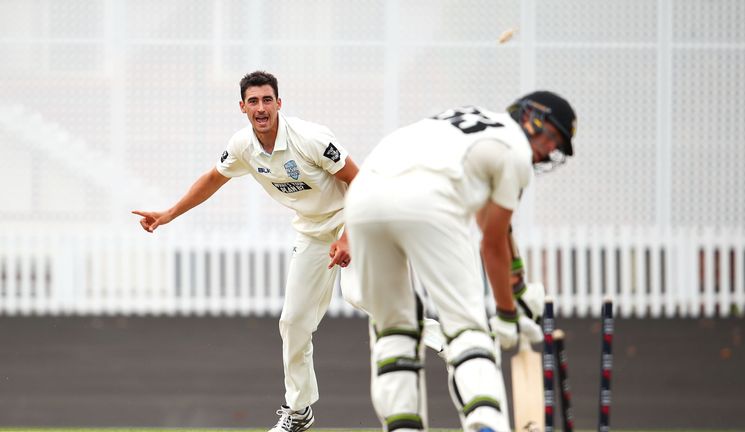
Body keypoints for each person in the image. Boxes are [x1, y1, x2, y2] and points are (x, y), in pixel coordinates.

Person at [132, 71, 360, 432]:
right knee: (293, 322)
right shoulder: (242, 145)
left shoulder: (310, 138)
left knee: (362, 298)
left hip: (356, 220)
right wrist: (169, 213)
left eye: (267, 99)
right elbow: (212, 179)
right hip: (314, 234)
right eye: (253, 101)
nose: (261, 107)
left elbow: (359, 181)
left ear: (279, 103)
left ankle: (450, 342)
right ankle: (299, 412)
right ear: (242, 107)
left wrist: (348, 236)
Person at [345, 91, 577, 432]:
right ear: (530, 116)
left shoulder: (466, 121)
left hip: (363, 198)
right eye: (551, 135)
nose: (548, 149)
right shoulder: (515, 150)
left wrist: (519, 284)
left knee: (394, 328)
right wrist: (507, 315)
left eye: (556, 143)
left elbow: (491, 225)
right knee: (467, 328)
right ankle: (486, 423)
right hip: (428, 200)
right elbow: (492, 243)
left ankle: (403, 427)